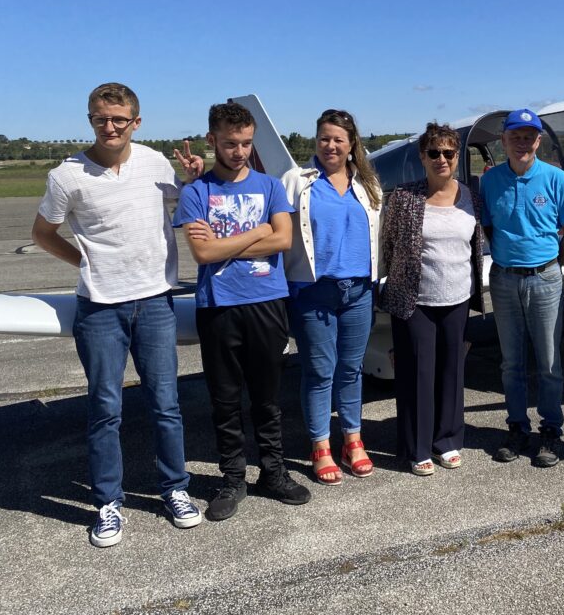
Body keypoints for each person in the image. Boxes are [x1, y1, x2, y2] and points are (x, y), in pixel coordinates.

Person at [32, 82, 204, 547]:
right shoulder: (65, 176)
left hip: (155, 303)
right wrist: (82, 262)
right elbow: (44, 232)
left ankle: (175, 489)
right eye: (99, 118)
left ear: (136, 122)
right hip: (100, 307)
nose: (109, 126)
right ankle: (108, 502)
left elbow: (187, 203)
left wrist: (192, 179)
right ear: (90, 119)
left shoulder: (155, 164)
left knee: (166, 405)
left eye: (118, 119)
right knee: (105, 409)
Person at [174, 100, 310, 520]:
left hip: (266, 303)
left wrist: (225, 246)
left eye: (247, 144)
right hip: (219, 306)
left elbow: (284, 241)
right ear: (212, 140)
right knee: (225, 400)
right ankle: (232, 479)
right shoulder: (197, 192)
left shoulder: (270, 187)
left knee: (268, 398)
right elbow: (202, 253)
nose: (240, 152)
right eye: (231, 144)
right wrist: (258, 231)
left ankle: (273, 472)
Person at [281, 109, 382, 484]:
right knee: (320, 371)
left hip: (358, 291)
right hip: (314, 292)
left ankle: (353, 440)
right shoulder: (298, 181)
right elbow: (280, 234)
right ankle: (320, 444)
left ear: (352, 143)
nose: (331, 145)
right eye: (324, 138)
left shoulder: (368, 184)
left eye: (339, 139)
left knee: (351, 369)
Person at [480, 108, 564, 467]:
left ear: (538, 141)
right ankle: (517, 426)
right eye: (515, 135)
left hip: (544, 278)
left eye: (529, 136)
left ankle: (551, 430)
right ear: (504, 140)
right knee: (511, 363)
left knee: (549, 362)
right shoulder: (490, 181)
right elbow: (490, 227)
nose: (522, 142)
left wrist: (554, 263)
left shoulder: (556, 178)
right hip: (504, 278)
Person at [380, 123, 485, 476]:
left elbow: (475, 244)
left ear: (457, 157)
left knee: (452, 371)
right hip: (415, 300)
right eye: (434, 153)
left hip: (457, 297)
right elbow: (388, 246)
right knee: (417, 374)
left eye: (449, 153)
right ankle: (417, 446)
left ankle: (448, 440)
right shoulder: (404, 197)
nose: (442, 159)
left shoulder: (471, 197)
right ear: (422, 157)